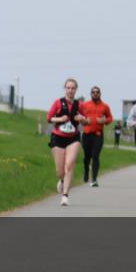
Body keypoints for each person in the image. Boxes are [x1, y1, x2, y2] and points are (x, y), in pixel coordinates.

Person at [46, 78, 88, 206]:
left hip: (73, 138)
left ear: (76, 90)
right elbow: (49, 118)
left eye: (73, 88)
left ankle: (65, 196)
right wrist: (60, 119)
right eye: (68, 88)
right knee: (60, 171)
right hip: (58, 137)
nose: (70, 90)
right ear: (65, 89)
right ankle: (62, 180)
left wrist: (82, 118)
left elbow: (87, 121)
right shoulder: (58, 102)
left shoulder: (80, 105)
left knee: (69, 165)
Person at [80, 86, 113, 187]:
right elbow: (79, 116)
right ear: (91, 94)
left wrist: (104, 120)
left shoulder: (105, 106)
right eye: (93, 92)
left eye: (97, 92)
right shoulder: (85, 105)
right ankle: (86, 172)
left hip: (98, 135)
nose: (95, 93)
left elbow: (110, 118)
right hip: (86, 134)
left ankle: (94, 179)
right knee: (87, 157)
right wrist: (83, 121)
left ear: (100, 94)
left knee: (95, 156)